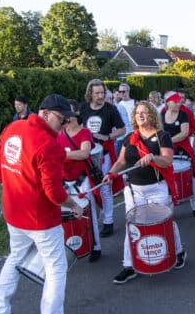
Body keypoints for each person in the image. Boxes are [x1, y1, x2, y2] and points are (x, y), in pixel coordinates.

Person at [0, 94, 84, 314]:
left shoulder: (13, 127)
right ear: (44, 113)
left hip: (13, 209)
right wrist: (73, 204)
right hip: (40, 217)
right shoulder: (48, 145)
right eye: (61, 120)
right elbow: (53, 192)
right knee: (56, 268)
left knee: (15, 257)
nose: (63, 127)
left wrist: (15, 185)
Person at [103, 101, 187, 284]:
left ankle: (179, 251)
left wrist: (153, 157)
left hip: (157, 188)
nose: (140, 115)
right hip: (134, 189)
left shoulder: (163, 136)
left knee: (165, 222)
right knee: (132, 226)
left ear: (152, 116)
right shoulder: (130, 138)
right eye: (137, 113)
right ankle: (129, 265)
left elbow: (167, 161)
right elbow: (121, 161)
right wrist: (111, 173)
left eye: (144, 113)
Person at [57, 99, 102, 262]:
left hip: (81, 179)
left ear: (76, 114)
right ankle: (69, 245)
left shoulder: (85, 133)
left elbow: (84, 153)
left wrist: (61, 154)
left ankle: (95, 245)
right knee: (63, 213)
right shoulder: (59, 133)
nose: (67, 118)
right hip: (63, 179)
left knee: (88, 213)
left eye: (70, 114)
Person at [79, 79, 126, 237]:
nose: (100, 96)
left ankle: (108, 221)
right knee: (88, 189)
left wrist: (107, 136)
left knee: (105, 187)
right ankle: (93, 220)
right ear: (90, 94)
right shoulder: (83, 108)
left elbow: (122, 130)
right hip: (86, 154)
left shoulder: (111, 109)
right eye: (96, 93)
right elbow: (77, 126)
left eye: (102, 93)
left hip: (104, 154)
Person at [162, 91, 195, 216]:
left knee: (192, 175)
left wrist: (168, 141)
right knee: (167, 177)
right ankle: (170, 207)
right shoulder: (162, 113)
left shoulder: (183, 113)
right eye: (176, 101)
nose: (180, 103)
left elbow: (184, 133)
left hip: (182, 148)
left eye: (180, 101)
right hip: (167, 150)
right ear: (169, 102)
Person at [114, 83, 136, 155]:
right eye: (120, 91)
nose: (121, 93)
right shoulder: (118, 105)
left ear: (128, 91)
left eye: (123, 91)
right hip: (120, 137)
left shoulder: (135, 103)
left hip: (132, 135)